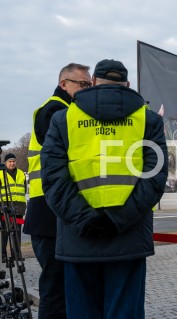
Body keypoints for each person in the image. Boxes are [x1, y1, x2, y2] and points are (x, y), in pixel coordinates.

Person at [40, 59, 168, 319]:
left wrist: (85, 220)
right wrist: (117, 221)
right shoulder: (149, 120)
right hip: (128, 238)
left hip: (79, 239)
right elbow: (154, 179)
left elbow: (54, 180)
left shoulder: (63, 119)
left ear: (94, 82)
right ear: (127, 84)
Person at [23, 62, 91, 319]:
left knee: (62, 286)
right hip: (48, 212)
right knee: (55, 287)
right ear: (64, 84)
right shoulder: (54, 110)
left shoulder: (67, 109)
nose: (86, 89)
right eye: (82, 84)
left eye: (89, 84)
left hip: (53, 210)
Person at [0, 153, 27, 263]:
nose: (12, 163)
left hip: (19, 208)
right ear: (5, 163)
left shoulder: (21, 173)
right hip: (4, 207)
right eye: (10, 161)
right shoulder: (1, 174)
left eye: (13, 161)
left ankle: (17, 255)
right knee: (5, 232)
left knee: (17, 232)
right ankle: (4, 256)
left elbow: (24, 189)